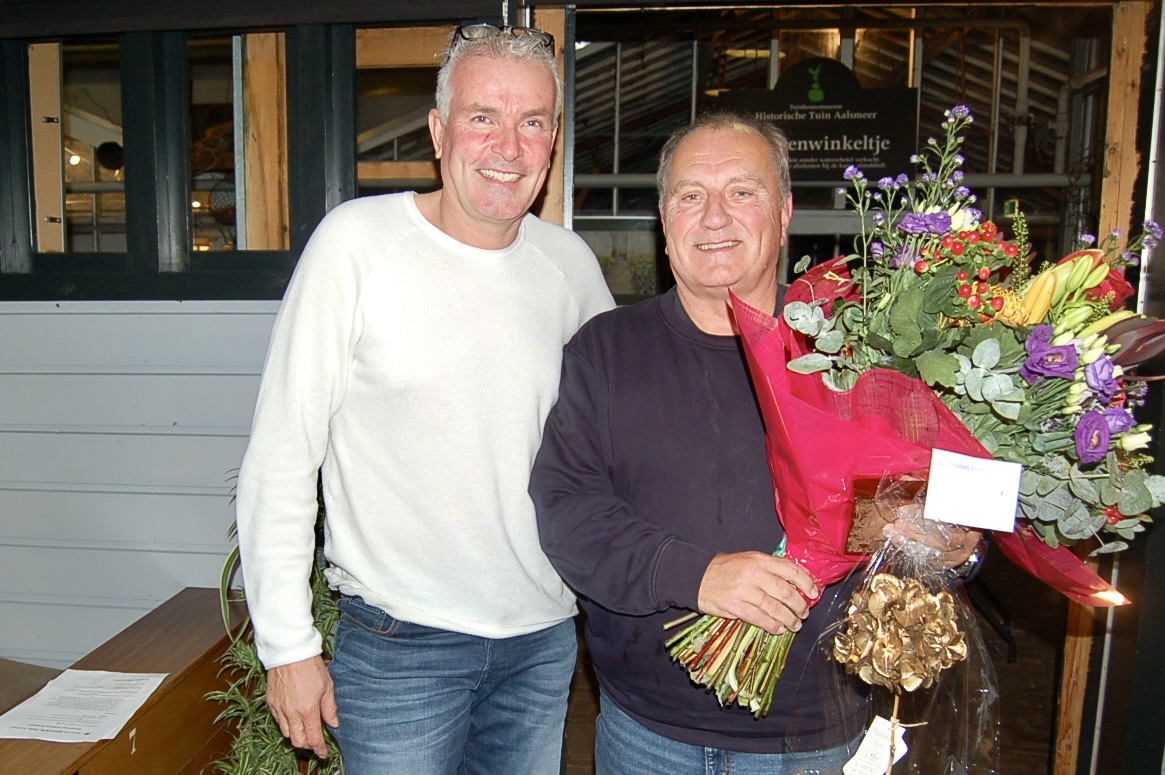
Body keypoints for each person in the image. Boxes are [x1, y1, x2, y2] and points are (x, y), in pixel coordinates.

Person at [529, 111, 982, 774]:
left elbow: (931, 499)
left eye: (742, 191)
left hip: (813, 738)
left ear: (785, 210)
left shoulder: (861, 354)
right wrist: (698, 576)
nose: (714, 216)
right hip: (645, 735)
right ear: (663, 220)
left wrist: (953, 538)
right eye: (690, 195)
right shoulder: (604, 352)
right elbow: (568, 512)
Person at [235, 23, 614, 775]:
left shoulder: (568, 266)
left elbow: (628, 435)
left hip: (541, 643)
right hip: (398, 648)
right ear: (439, 131)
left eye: (531, 121)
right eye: (483, 117)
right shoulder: (356, 246)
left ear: (553, 142)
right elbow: (282, 455)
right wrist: (288, 647)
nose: (508, 145)